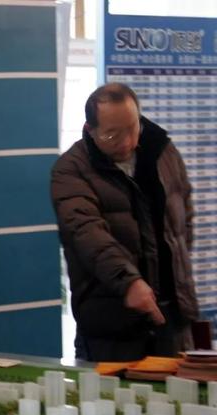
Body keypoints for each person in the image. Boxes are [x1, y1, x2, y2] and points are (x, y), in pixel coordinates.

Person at [51, 83, 199, 361]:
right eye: (112, 135)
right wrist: (128, 282)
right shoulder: (71, 170)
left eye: (133, 128)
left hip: (173, 321)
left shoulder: (163, 151)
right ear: (89, 130)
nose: (127, 143)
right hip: (112, 328)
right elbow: (87, 234)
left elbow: (184, 221)